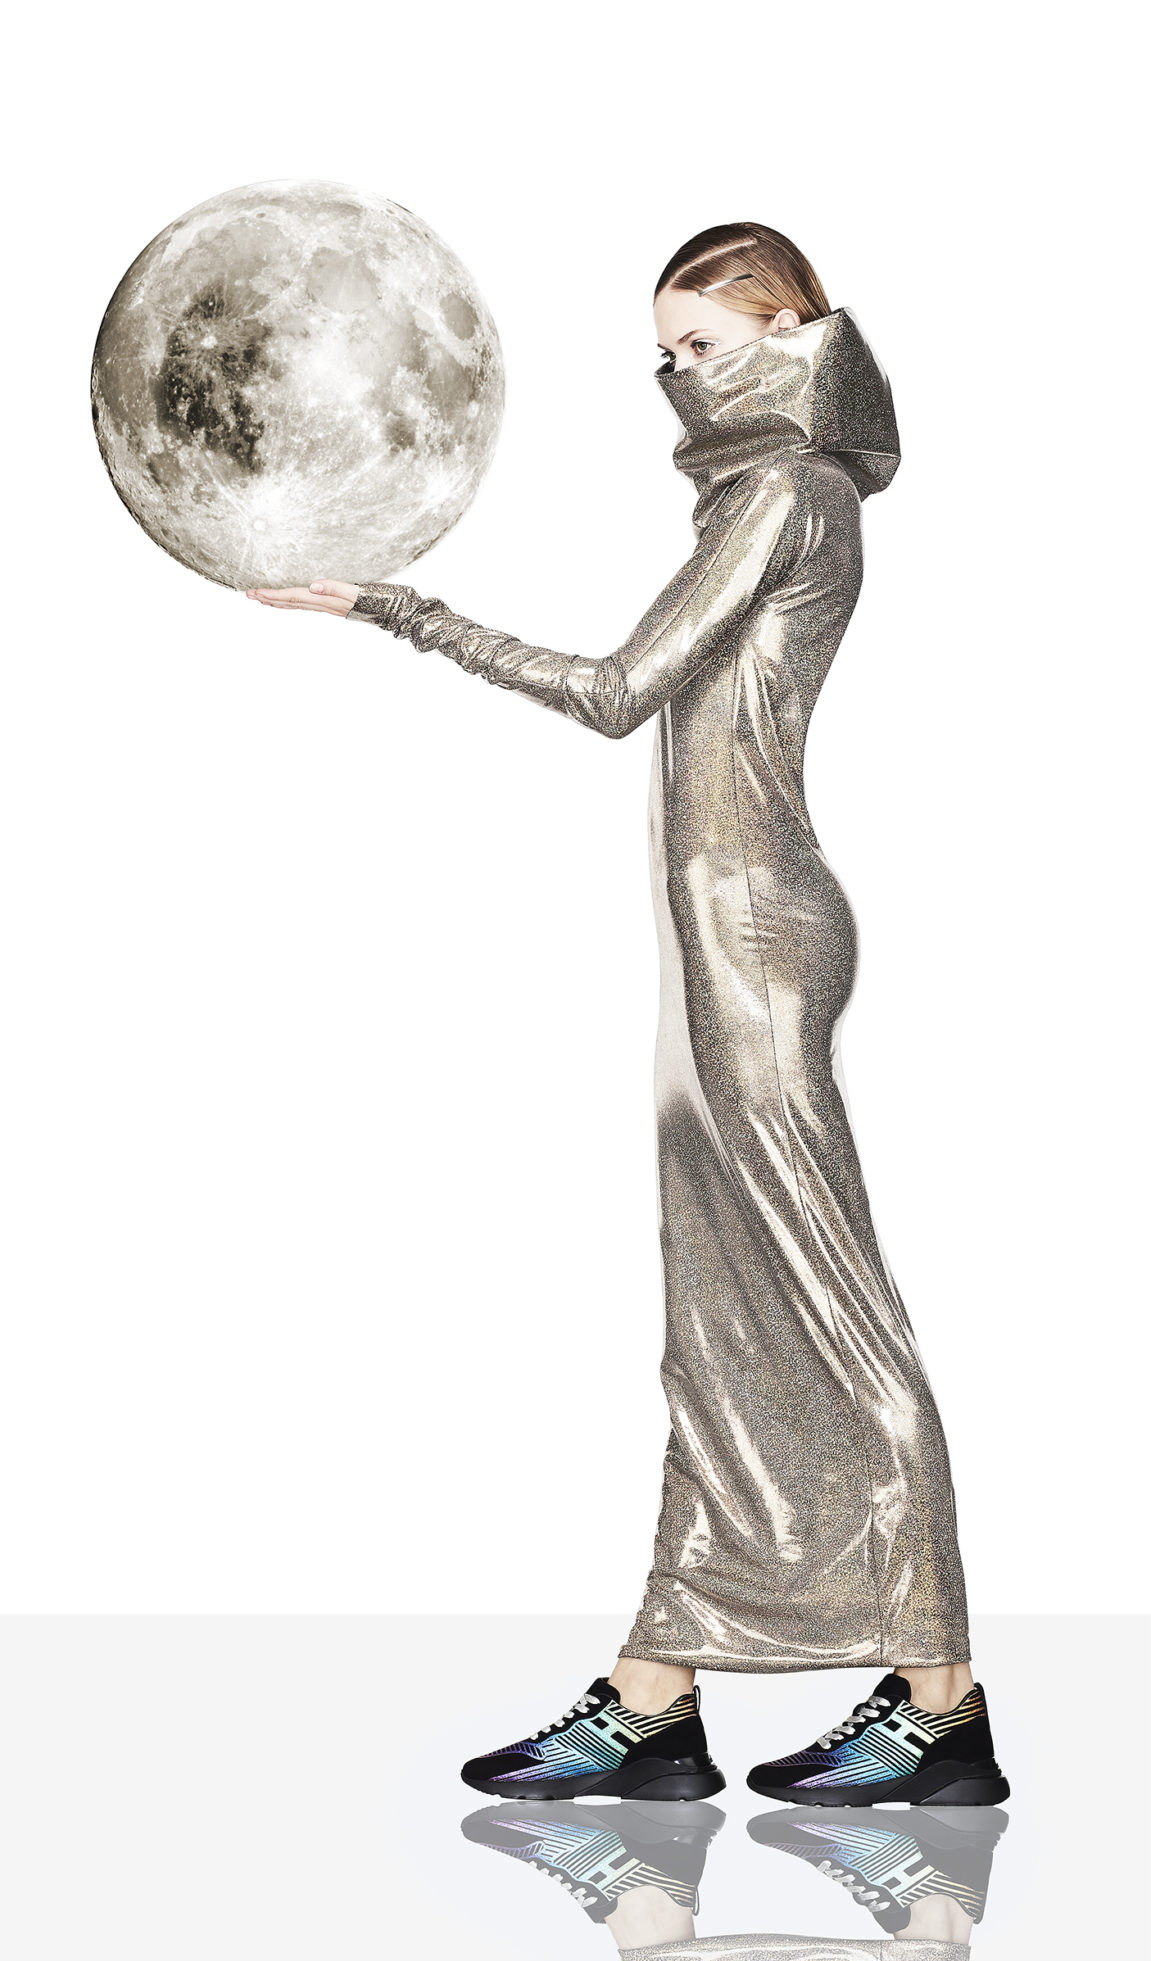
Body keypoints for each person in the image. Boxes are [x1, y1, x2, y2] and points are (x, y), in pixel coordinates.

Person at [247, 222, 1011, 1810]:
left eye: (705, 345)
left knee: (831, 1311)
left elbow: (618, 691)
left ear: (792, 325)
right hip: (712, 936)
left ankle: (941, 1702)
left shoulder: (787, 488)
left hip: (757, 933)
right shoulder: (755, 489)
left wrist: (402, 611)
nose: (680, 375)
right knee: (720, 1325)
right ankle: (657, 1693)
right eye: (664, 356)